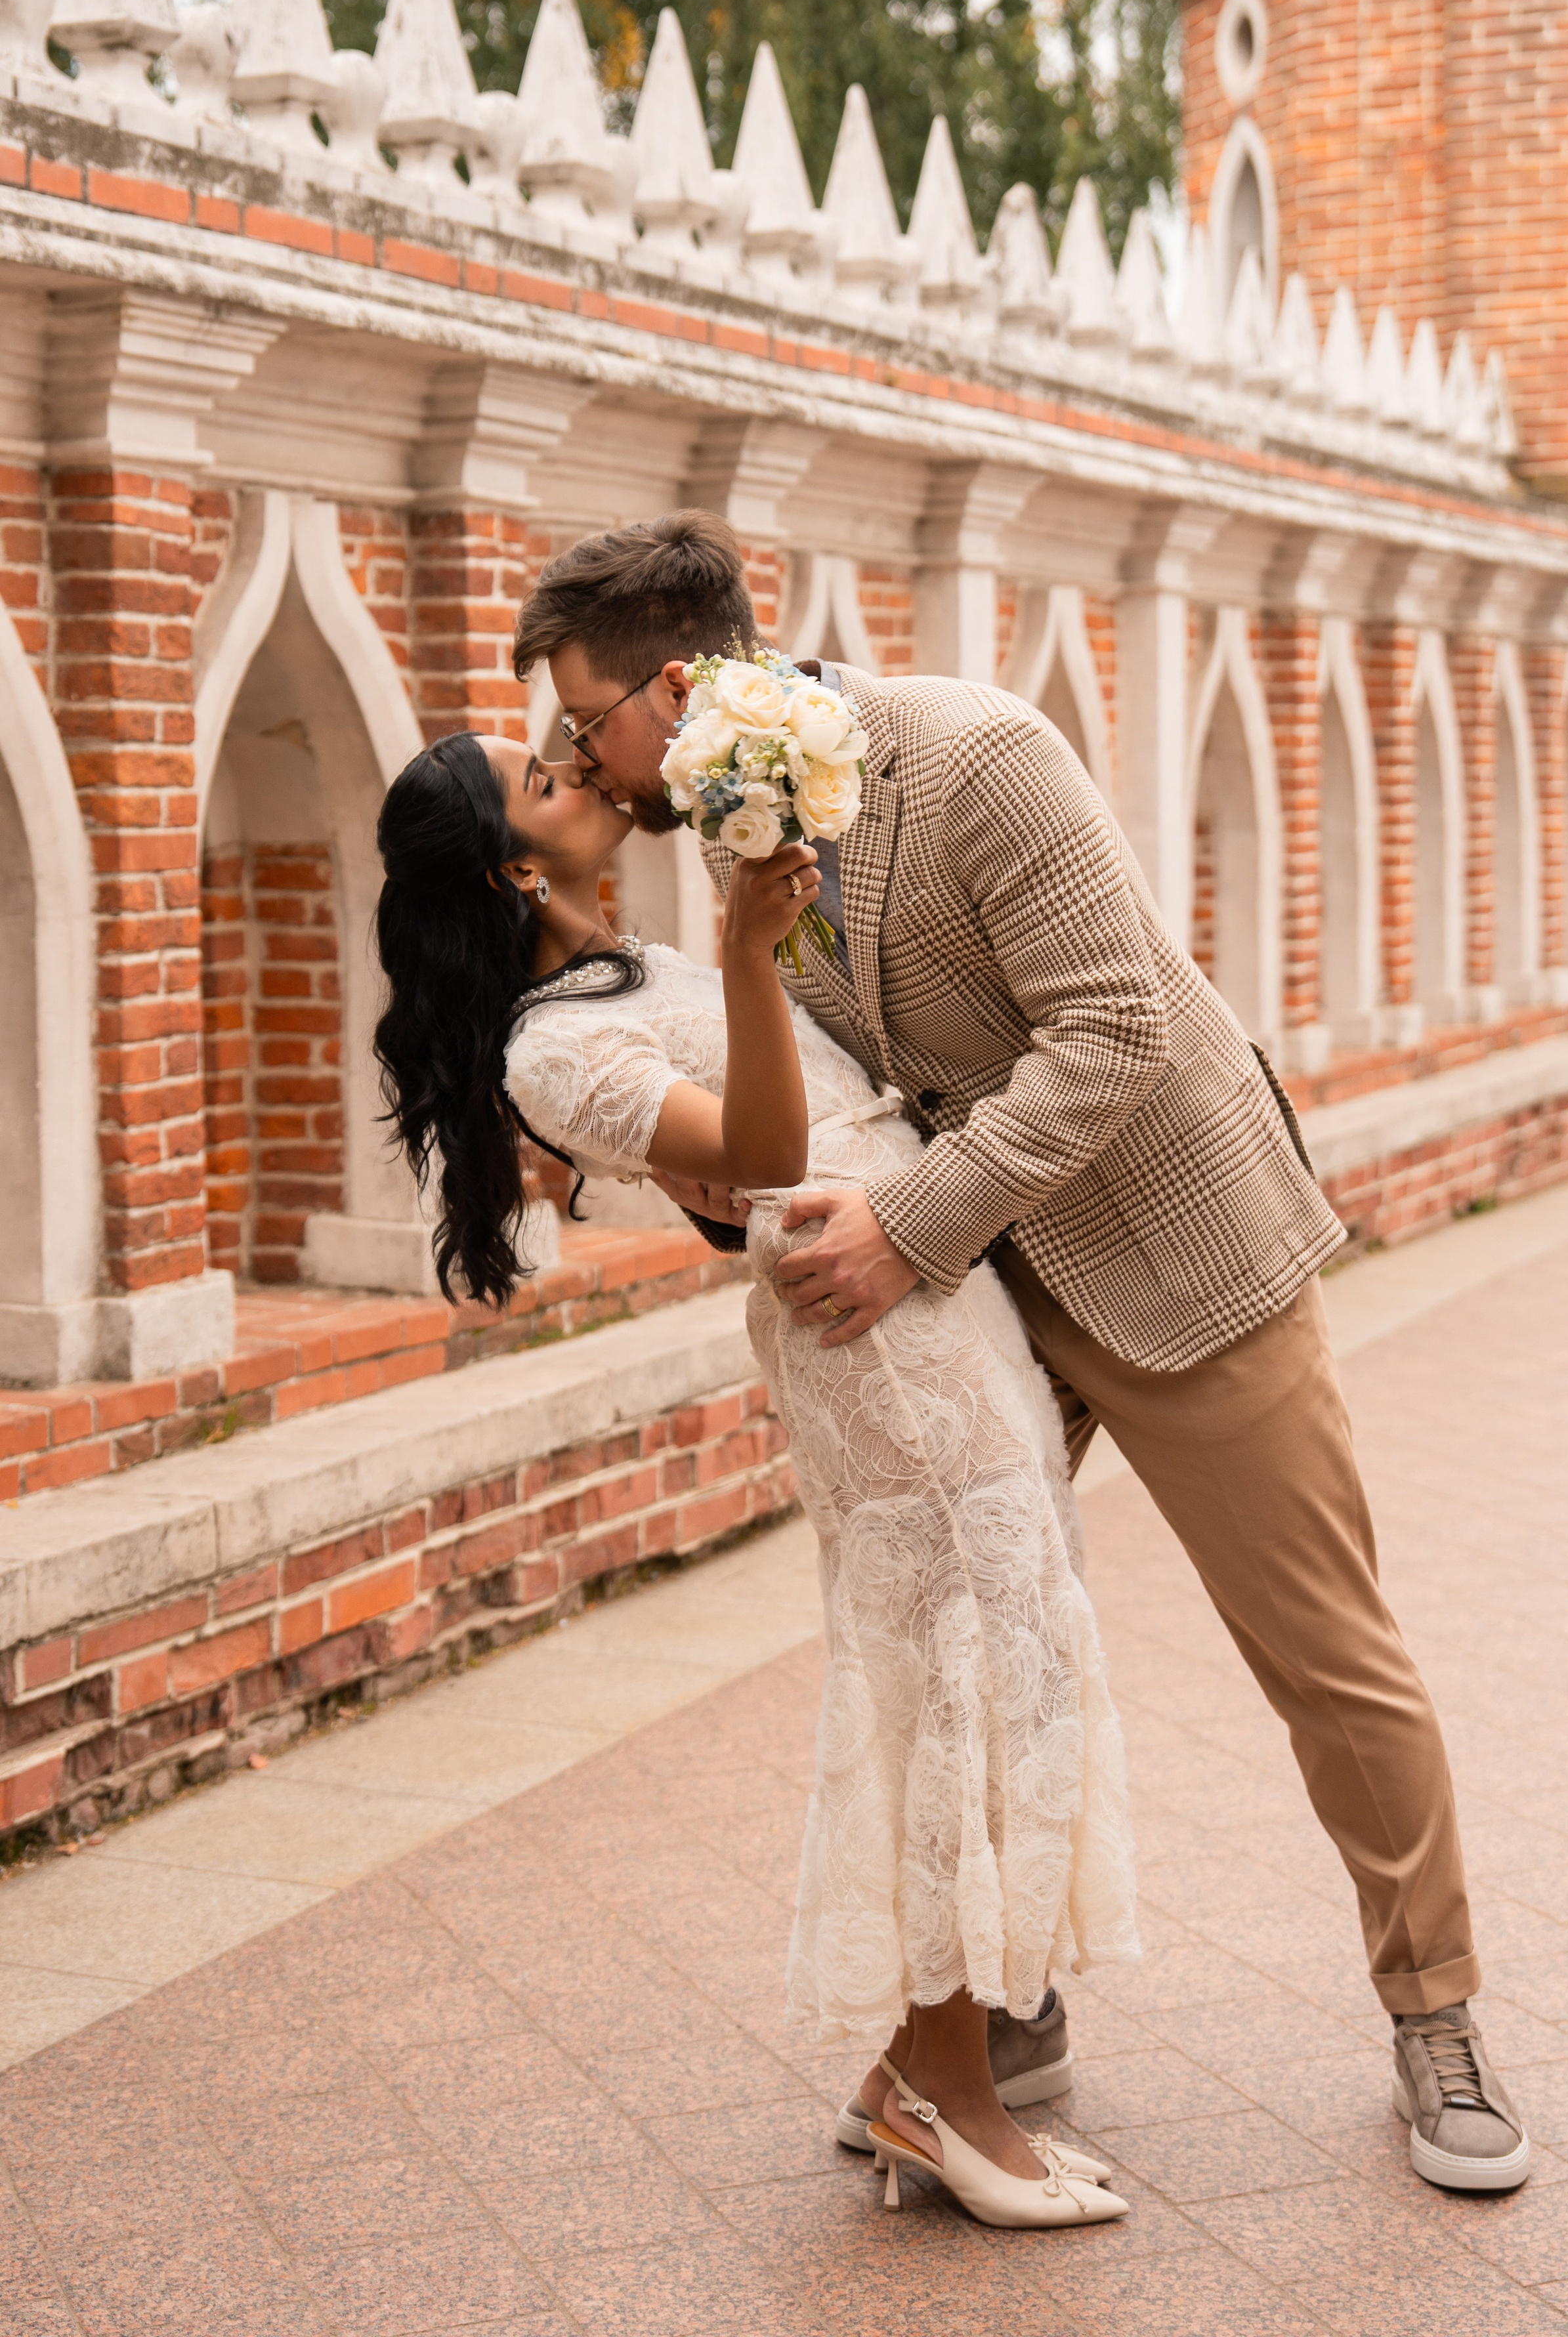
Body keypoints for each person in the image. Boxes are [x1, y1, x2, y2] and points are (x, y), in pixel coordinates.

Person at [506, 508, 1533, 2199]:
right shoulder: (726, 823)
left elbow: (1115, 1024)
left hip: (1176, 1251)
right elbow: (829, 1091)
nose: (577, 756)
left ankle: (1436, 2014)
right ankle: (993, 2027)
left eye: (586, 718)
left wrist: (912, 1230)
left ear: (676, 687)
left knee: (1324, 1649)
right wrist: (720, 1193)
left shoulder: (973, 752)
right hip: (986, 1302)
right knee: (975, 1647)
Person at [372, 727, 1135, 2231]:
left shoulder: (619, 974)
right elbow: (772, 1147)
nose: (583, 776)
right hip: (870, 1342)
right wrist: (740, 952)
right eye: (545, 782)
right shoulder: (550, 1046)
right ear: (515, 867)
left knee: (996, 1668)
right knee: (955, 1686)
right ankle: (951, 2101)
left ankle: (916, 2081)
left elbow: (760, 1158)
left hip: (914, 1283)